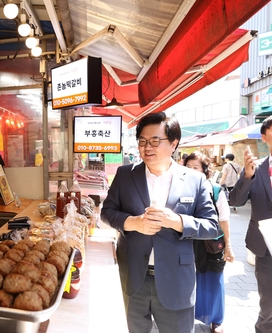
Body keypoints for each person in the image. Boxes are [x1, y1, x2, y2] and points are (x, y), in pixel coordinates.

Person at [101, 111, 219, 333]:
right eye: (143, 141)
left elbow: (212, 226)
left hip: (176, 280)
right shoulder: (126, 175)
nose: (147, 147)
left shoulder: (194, 180)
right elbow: (107, 212)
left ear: (173, 143)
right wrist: (132, 223)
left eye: (155, 141)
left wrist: (177, 221)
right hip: (135, 276)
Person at [229, 116, 272, 333]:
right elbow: (235, 201)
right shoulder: (256, 170)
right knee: (268, 306)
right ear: (264, 138)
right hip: (266, 250)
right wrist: (247, 175)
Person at [184, 151, 235, 333]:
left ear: (205, 171)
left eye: (195, 167)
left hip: (211, 244)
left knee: (213, 280)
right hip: (187, 243)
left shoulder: (215, 190)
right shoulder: (181, 189)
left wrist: (229, 247)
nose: (191, 170)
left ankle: (216, 320)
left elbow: (224, 220)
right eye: (187, 167)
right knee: (187, 281)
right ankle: (186, 317)